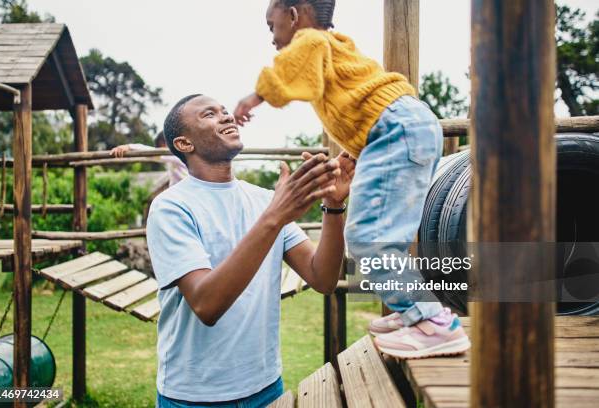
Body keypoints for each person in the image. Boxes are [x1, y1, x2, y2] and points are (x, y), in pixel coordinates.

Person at [233, 0, 470, 359]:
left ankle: (431, 321)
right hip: (405, 127)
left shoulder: (311, 41)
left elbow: (287, 75)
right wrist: (361, 150)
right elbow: (360, 101)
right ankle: (412, 313)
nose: (273, 39)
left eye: (272, 26)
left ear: (295, 16)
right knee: (390, 234)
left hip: (395, 131)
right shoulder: (335, 44)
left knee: (367, 239)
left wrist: (253, 98)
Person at [147, 94, 355, 406]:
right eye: (210, 114)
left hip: (266, 386)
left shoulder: (264, 201)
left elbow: (323, 278)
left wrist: (334, 206)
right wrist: (276, 216)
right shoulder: (170, 207)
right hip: (194, 395)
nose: (226, 116)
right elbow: (207, 304)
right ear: (184, 143)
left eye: (224, 111)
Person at [110, 131, 188, 187]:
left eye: (161, 147)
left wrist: (129, 147)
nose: (160, 150)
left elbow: (153, 153)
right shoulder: (173, 159)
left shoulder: (176, 154)